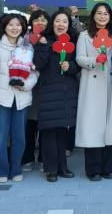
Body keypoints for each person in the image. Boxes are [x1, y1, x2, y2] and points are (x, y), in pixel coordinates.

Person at [0, 14, 37, 183]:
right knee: (0, 135)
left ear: (23, 28)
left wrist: (26, 85)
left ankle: (16, 169)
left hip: (21, 97)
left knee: (19, 137)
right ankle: (0, 170)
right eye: (11, 25)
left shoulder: (27, 47)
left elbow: (34, 72)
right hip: (0, 98)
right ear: (4, 27)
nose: (15, 28)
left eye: (18, 25)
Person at [75, 2, 112, 181]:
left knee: (110, 124)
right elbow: (79, 58)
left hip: (110, 82)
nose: (102, 16)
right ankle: (93, 169)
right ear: (93, 15)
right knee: (92, 126)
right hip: (92, 83)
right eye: (99, 13)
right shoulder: (84, 36)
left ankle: (107, 167)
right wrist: (95, 60)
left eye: (106, 14)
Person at [33, 10, 80, 182]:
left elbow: (78, 66)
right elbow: (38, 64)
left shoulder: (73, 42)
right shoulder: (44, 41)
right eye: (58, 21)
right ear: (52, 23)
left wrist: (70, 66)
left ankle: (63, 167)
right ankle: (51, 169)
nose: (61, 24)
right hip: (48, 92)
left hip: (67, 92)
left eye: (65, 21)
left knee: (62, 131)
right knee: (49, 132)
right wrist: (44, 47)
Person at [22, 9, 50, 171]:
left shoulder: (51, 39)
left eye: (44, 20)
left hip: (45, 87)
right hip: (27, 87)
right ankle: (27, 157)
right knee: (28, 124)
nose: (40, 22)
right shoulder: (24, 39)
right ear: (31, 22)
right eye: (37, 19)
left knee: (44, 124)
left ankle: (43, 158)